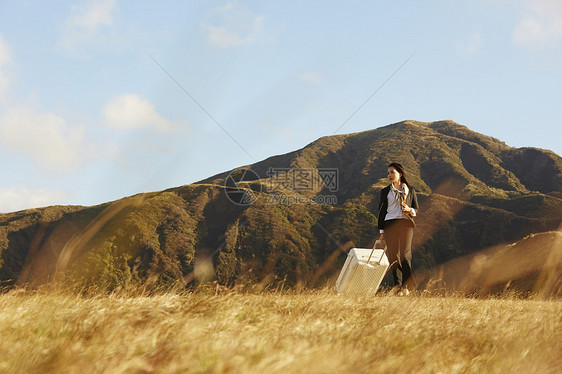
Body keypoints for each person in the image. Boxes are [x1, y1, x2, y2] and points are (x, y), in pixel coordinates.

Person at [378, 162, 419, 295]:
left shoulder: (410, 190)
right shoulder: (385, 191)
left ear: (400, 174)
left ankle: (407, 285)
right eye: (388, 173)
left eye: (392, 172)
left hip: (406, 224)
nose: (389, 175)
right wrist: (382, 232)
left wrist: (409, 209)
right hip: (390, 224)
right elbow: (381, 212)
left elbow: (416, 209)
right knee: (393, 256)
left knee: (405, 255)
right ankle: (398, 286)